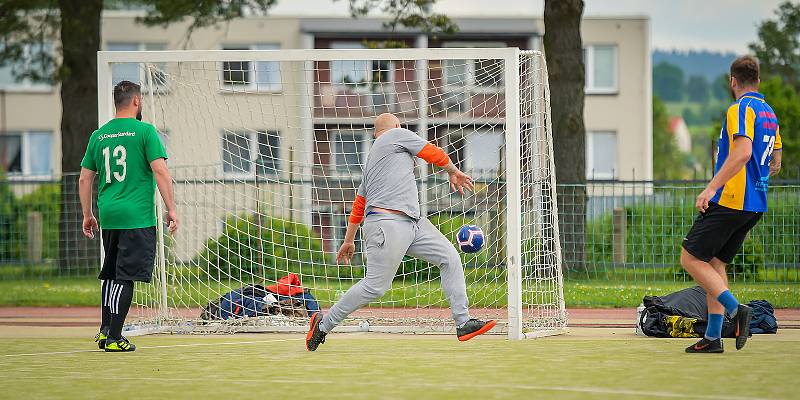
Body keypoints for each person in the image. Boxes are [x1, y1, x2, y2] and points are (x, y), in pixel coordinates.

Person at [306, 113, 496, 351]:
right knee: (375, 287)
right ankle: (323, 325)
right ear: (396, 127)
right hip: (388, 223)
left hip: (413, 224)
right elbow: (432, 152)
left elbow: (359, 203)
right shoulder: (397, 135)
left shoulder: (372, 161)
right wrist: (453, 171)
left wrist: (348, 239)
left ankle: (463, 322)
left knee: (449, 257)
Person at [681, 56, 782, 353]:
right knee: (715, 263)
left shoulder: (740, 109)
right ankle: (713, 338)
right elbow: (776, 159)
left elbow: (743, 152)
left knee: (690, 258)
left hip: (732, 198)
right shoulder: (769, 113)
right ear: (758, 81)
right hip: (756, 202)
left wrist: (711, 187)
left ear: (733, 82)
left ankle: (737, 309)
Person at [79, 80, 178, 352]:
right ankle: (114, 338)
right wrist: (171, 208)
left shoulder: (98, 135)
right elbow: (160, 172)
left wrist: (88, 214)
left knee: (111, 274)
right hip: (137, 216)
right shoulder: (145, 131)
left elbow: (85, 178)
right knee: (125, 276)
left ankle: (104, 331)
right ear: (136, 101)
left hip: (109, 215)